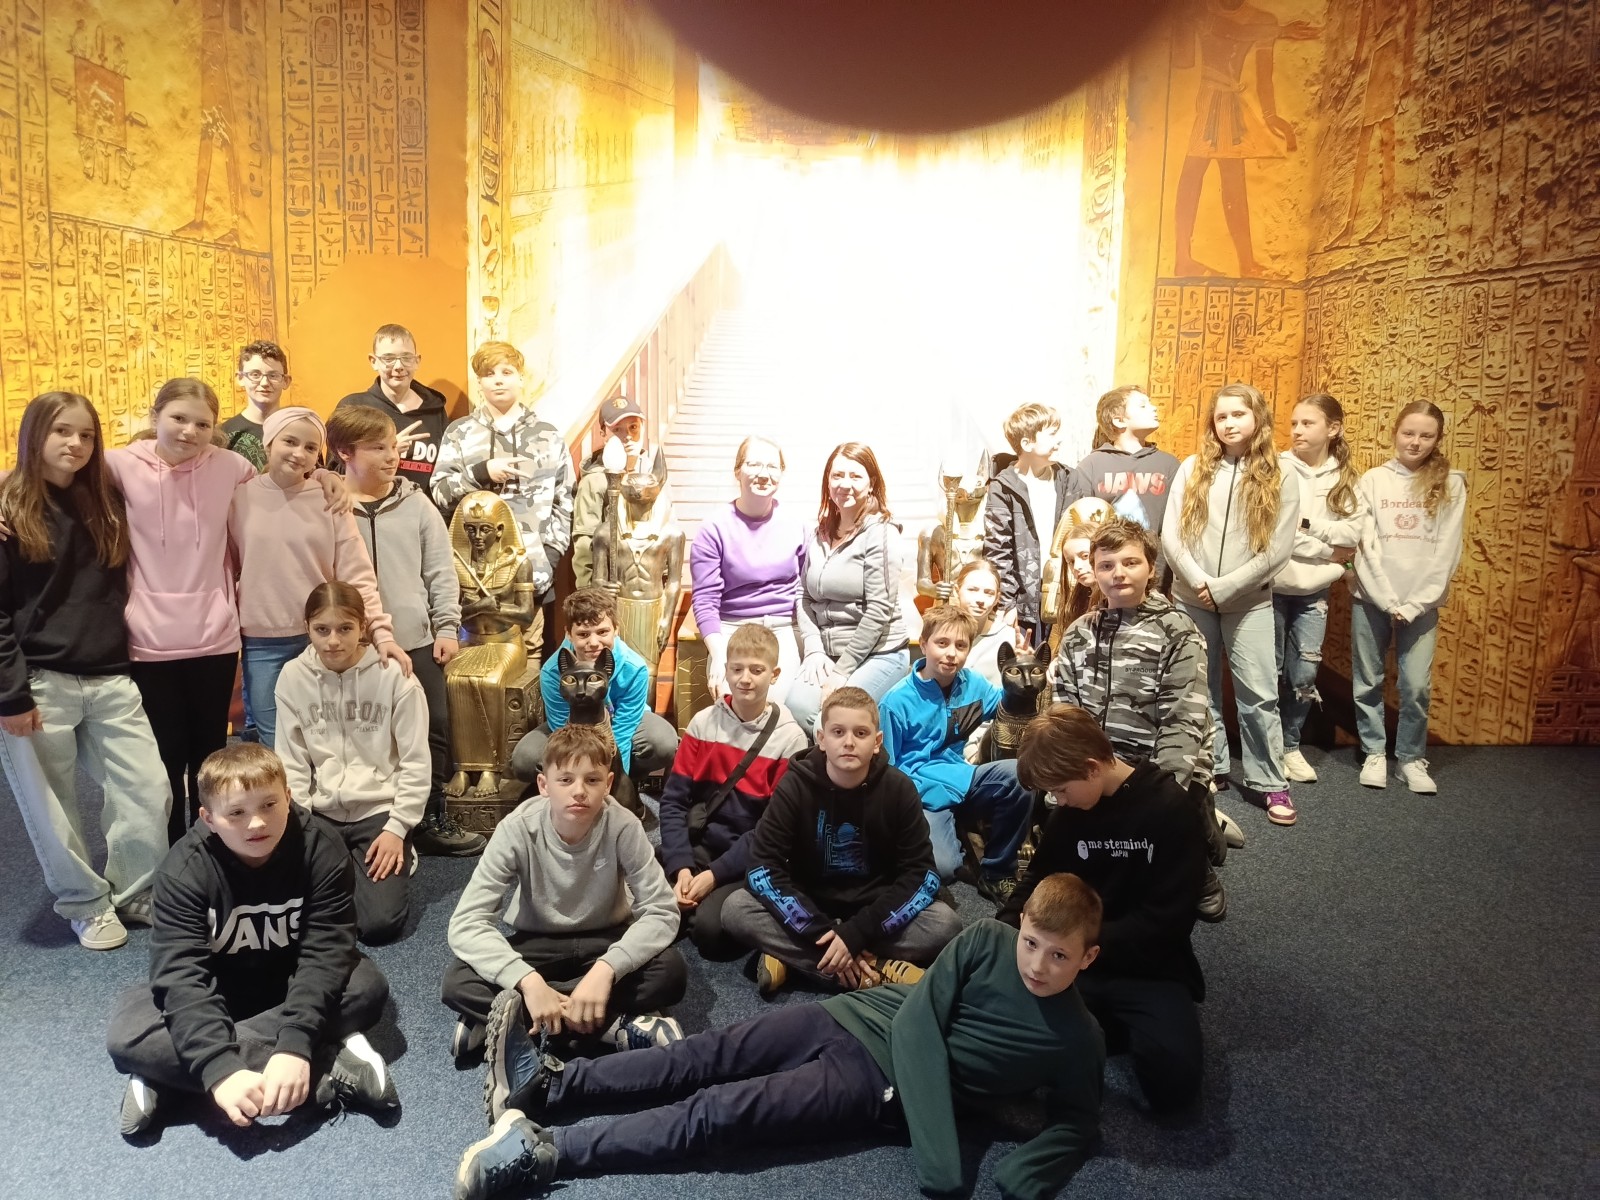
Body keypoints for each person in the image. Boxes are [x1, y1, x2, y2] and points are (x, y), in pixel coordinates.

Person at [456, 873, 1106, 1200]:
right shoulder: (988, 938)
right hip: (857, 1013)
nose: (1037, 964)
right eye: (1031, 943)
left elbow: (1078, 1123)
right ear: (1019, 926)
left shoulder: (1079, 1038)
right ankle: (553, 1086)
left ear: (1088, 958)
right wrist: (944, 1158)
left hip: (879, 1083)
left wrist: (1022, 1176)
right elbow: (919, 1019)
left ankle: (551, 1152)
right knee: (703, 1054)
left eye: (1058, 956)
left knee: (723, 1113)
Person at [105, 743, 399, 1137]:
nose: (257, 823)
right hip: (220, 988)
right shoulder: (183, 870)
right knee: (127, 1032)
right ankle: (325, 1064)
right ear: (208, 818)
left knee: (366, 987)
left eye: (269, 805)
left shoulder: (322, 847)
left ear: (289, 797)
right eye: (236, 813)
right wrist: (221, 1068)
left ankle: (168, 1076)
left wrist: (294, 1042)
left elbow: (325, 953)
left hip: (292, 981)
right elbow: (181, 976)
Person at [0, 391, 170, 951]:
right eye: (61, 432)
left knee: (148, 789)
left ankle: (136, 890)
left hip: (110, 675)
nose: (75, 444)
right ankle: (85, 904)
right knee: (53, 808)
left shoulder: (105, 501)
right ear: (34, 436)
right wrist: (11, 694)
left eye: (87, 435)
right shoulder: (10, 510)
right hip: (38, 682)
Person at [442, 724, 687, 1060]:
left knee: (671, 972)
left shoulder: (624, 826)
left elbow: (661, 910)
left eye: (592, 780)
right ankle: (611, 1025)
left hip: (605, 940)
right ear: (544, 785)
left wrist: (606, 971)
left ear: (608, 784)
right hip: (538, 942)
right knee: (456, 981)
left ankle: (513, 1018)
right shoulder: (516, 828)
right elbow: (467, 922)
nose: (579, 791)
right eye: (566, 780)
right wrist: (528, 981)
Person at [1007, 706, 1207, 1114]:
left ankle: (1106, 1028)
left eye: (1062, 789)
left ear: (1092, 768)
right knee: (1005, 1044)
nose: (1058, 800)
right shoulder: (1070, 811)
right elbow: (1037, 877)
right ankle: (1100, 1027)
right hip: (1074, 962)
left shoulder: (1171, 809)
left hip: (1147, 967)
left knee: (1174, 1091)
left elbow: (1168, 922)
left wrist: (1080, 945)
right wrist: (1008, 926)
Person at [722, 686, 961, 994]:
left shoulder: (900, 789)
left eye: (861, 733)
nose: (849, 742)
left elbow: (922, 875)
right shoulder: (794, 785)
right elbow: (762, 868)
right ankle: (874, 970)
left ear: (877, 742)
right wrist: (820, 932)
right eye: (838, 732)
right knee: (736, 909)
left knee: (944, 925)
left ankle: (796, 959)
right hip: (810, 908)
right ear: (822, 739)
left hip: (875, 910)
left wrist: (856, 934)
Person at [328, 405, 484, 856]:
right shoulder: (327, 504)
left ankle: (431, 815)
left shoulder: (417, 504)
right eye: (378, 448)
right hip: (351, 647)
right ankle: (363, 822)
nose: (392, 456)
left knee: (432, 728)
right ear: (345, 452)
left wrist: (446, 627)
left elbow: (440, 571)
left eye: (393, 446)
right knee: (360, 733)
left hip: (414, 639)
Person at [1054, 516, 1230, 917]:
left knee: (1161, 842)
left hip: (1159, 765)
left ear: (1151, 568)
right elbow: (1064, 714)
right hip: (1098, 764)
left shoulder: (1178, 631)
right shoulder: (1078, 634)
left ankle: (1198, 846)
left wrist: (1160, 797)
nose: (1118, 573)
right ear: (1095, 572)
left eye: (1130, 562)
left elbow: (1183, 722)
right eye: (1106, 565)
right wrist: (1067, 774)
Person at [107, 379, 255, 844]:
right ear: (155, 417)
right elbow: (35, 473)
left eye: (202, 424)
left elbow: (285, 488)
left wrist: (329, 479)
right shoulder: (119, 464)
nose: (190, 431)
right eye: (178, 418)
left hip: (214, 638)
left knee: (209, 754)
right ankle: (170, 853)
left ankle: (210, 845)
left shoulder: (232, 466)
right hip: (147, 641)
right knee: (164, 758)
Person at [228, 406, 412, 749]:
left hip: (323, 639)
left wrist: (380, 632)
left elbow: (357, 574)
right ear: (269, 443)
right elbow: (226, 569)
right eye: (290, 442)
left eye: (311, 447)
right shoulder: (239, 498)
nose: (299, 453)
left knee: (325, 738)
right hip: (261, 642)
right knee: (275, 740)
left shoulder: (329, 498)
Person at [1162, 383, 1299, 825]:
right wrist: (1199, 581)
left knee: (1259, 694)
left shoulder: (1281, 473)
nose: (1229, 423)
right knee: (1199, 690)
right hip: (1192, 598)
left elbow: (1278, 549)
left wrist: (1228, 587)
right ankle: (1213, 766)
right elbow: (1171, 536)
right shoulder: (1192, 468)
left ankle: (1270, 781)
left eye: (1238, 414)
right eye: (1221, 416)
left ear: (1257, 418)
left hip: (1249, 602)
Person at [274, 583, 430, 944]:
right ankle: (343, 866)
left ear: (362, 626)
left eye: (345, 628)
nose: (333, 641)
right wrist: (299, 824)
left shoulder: (395, 677)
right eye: (322, 629)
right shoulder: (293, 677)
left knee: (379, 925)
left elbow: (416, 762)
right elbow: (291, 761)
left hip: (379, 812)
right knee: (287, 911)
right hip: (321, 812)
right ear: (307, 627)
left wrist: (398, 828)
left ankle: (393, 854)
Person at [656, 622, 808, 960]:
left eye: (757, 670)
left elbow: (772, 831)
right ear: (725, 670)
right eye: (737, 669)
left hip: (745, 855)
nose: (745, 679)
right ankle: (679, 900)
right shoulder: (702, 723)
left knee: (711, 936)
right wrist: (681, 867)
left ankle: (689, 909)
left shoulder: (791, 739)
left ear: (775, 674)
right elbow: (673, 802)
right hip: (699, 841)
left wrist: (714, 876)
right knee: (635, 889)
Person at [432, 341, 575, 668]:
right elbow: (439, 492)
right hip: (471, 583)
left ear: (521, 378)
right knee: (473, 665)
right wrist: (481, 473)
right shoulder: (459, 433)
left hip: (531, 576)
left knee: (529, 661)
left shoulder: (548, 436)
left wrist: (548, 556)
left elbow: (564, 500)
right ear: (479, 382)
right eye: (489, 373)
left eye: (507, 372)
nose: (498, 380)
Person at [878, 605, 1034, 899]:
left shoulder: (972, 684)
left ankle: (997, 871)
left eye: (960, 646)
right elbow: (886, 771)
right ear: (924, 644)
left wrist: (1020, 669)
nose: (951, 653)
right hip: (923, 794)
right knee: (944, 869)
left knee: (1018, 774)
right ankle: (954, 836)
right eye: (942, 643)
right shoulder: (895, 702)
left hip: (963, 777)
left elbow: (1006, 704)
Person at [1350, 400, 1466, 794]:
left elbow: (1448, 550)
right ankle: (1373, 752)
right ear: (1395, 433)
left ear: (1438, 439)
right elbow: (1364, 546)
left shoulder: (1451, 483)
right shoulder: (1373, 480)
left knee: (1416, 686)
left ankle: (1410, 758)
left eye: (1426, 435)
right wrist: (1385, 598)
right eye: (1409, 433)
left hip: (1422, 603)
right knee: (1368, 681)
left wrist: (1417, 602)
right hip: (1373, 598)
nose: (1415, 442)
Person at [785, 442, 911, 734]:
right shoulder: (820, 532)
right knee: (796, 707)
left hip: (879, 654)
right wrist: (814, 650)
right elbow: (803, 595)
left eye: (855, 476)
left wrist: (841, 672)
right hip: (827, 653)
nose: (845, 484)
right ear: (828, 482)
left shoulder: (882, 534)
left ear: (871, 483)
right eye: (837, 475)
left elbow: (879, 610)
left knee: (833, 722)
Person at [1273, 394, 1364, 784]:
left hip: (1316, 588)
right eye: (1294, 423)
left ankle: (1289, 745)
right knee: (1270, 669)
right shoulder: (1276, 467)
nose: (1296, 430)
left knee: (1304, 672)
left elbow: (1353, 533)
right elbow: (1277, 533)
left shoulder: (1345, 477)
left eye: (1307, 423)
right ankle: (1268, 747)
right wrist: (1329, 552)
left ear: (1333, 428)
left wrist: (1308, 526)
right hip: (1273, 584)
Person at [509, 586, 679, 786]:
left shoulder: (634, 668)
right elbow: (563, 730)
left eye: (602, 632)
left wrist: (615, 786)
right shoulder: (553, 671)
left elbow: (623, 733)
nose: (594, 642)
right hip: (572, 726)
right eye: (583, 634)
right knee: (525, 759)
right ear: (569, 634)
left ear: (616, 629)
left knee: (662, 742)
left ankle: (630, 782)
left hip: (618, 723)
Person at [688, 435, 806, 704]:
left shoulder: (796, 524)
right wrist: (719, 654)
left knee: (775, 704)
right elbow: (705, 600)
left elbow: (807, 591)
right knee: (733, 702)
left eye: (772, 466)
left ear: (781, 473)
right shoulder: (713, 528)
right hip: (733, 627)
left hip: (783, 628)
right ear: (737, 471)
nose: (764, 474)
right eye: (754, 464)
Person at [1067, 385, 1180, 579]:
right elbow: (1081, 529)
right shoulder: (1091, 465)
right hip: (1107, 574)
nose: (1154, 408)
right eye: (1143, 405)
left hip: (1156, 573)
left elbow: (1176, 527)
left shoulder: (1169, 464)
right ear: (1119, 420)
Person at [984, 401, 1073, 648]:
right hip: (1024, 602)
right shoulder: (1003, 487)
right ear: (1026, 443)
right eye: (1052, 434)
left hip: (1064, 596)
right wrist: (1006, 603)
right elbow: (997, 550)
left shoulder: (1069, 479)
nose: (1059, 440)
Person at [335, 322, 452, 496]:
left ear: (417, 361)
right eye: (388, 359)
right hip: (368, 508)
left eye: (406, 357)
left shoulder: (435, 410)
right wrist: (387, 449)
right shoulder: (353, 407)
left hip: (422, 508)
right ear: (374, 361)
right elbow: (335, 474)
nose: (398, 366)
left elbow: (444, 472)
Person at [571, 394, 671, 587]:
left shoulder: (654, 476)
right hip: (609, 585)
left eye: (633, 427)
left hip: (649, 583)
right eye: (617, 430)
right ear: (603, 433)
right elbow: (585, 544)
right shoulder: (594, 482)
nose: (627, 436)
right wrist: (590, 594)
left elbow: (668, 527)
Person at [222, 340, 291, 470]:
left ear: (286, 381)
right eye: (255, 375)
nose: (264, 383)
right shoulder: (223, 434)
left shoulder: (300, 430)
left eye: (273, 375)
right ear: (240, 378)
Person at [950, 556, 1016, 686]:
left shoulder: (1009, 638)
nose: (980, 599)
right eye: (972, 590)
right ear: (957, 591)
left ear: (997, 598)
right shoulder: (942, 633)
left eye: (988, 593)